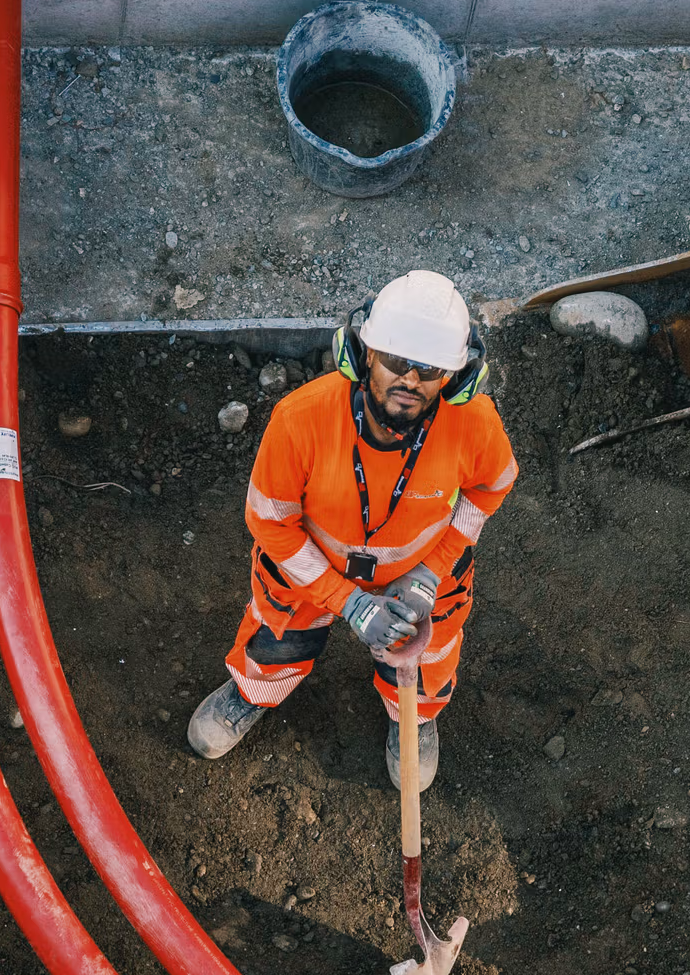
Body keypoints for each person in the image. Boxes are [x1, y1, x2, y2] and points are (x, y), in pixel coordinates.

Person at [188, 270, 517, 783]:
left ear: (456, 377)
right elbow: (270, 523)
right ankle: (254, 691)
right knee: (280, 632)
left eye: (429, 370)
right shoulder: (300, 420)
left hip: (420, 571)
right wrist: (349, 602)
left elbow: (492, 487)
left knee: (428, 654)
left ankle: (415, 717)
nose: (410, 380)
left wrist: (431, 571)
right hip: (312, 566)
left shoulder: (475, 424)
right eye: (395, 360)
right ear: (362, 353)